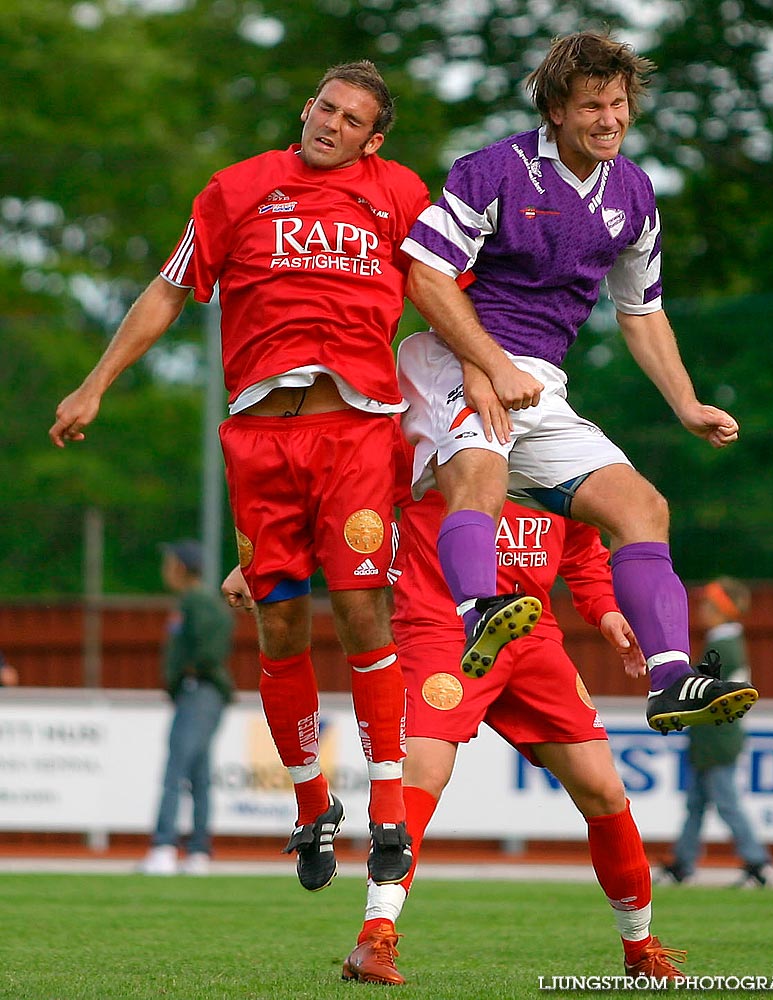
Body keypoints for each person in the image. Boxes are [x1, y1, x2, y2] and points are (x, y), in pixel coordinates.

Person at [49, 61, 431, 891]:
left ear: (374, 138)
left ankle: (391, 808)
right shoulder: (236, 189)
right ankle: (310, 804)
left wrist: (478, 385)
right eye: (324, 107)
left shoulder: (400, 194)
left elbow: (446, 297)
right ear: (307, 108)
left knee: (364, 608)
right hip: (260, 442)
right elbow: (167, 288)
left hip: (356, 431)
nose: (331, 123)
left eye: (352, 117)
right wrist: (94, 382)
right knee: (279, 626)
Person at [224, 432, 688, 985]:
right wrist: (264, 564)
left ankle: (641, 951)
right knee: (421, 773)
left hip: (534, 638)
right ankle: (373, 940)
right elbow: (344, 496)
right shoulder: (432, 441)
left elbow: (585, 557)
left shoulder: (557, 456)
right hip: (441, 631)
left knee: (604, 790)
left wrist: (608, 612)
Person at [395, 30, 758, 735]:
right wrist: (490, 365)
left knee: (641, 508)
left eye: (618, 104)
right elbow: (427, 275)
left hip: (540, 383)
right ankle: (478, 614)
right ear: (555, 109)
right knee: (478, 477)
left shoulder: (632, 193)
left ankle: (670, 677)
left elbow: (641, 312)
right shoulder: (492, 170)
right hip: (457, 361)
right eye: (592, 104)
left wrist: (684, 403)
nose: (609, 119)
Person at [657, 577, 773, 889]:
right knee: (697, 804)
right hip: (711, 739)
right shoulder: (724, 642)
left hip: (716, 740)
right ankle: (683, 864)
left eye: (709, 605)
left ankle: (758, 864)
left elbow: (702, 693)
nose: (702, 610)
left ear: (725, 609)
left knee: (725, 803)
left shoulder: (722, 646)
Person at [140, 540, 234, 875]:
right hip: (198, 694)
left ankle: (164, 846)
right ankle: (198, 851)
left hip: (199, 692)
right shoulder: (192, 602)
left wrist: (187, 673)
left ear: (181, 567)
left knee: (176, 770)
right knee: (198, 773)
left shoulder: (199, 603)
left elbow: (213, 644)